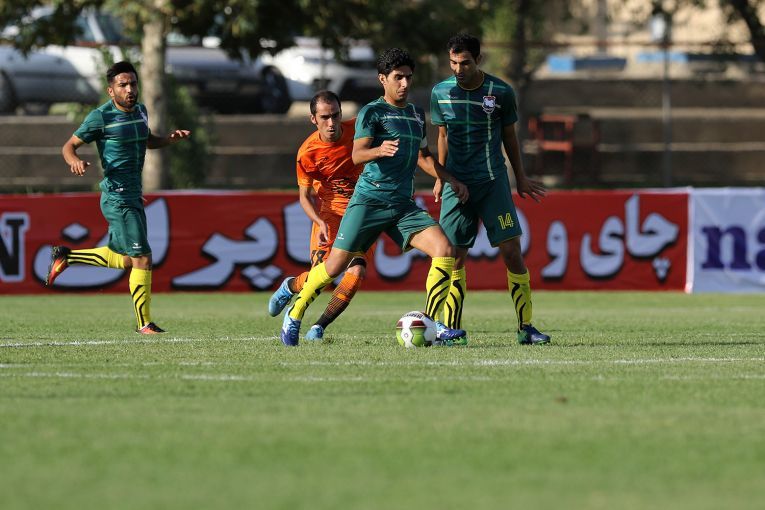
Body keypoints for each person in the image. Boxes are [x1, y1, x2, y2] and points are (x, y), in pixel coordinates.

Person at [279, 47, 470, 347]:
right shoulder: (372, 112)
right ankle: (295, 312)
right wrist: (379, 150)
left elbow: (424, 158)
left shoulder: (416, 115)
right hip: (369, 201)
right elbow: (357, 154)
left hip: (402, 205)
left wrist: (450, 179)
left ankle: (434, 324)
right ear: (383, 79)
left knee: (445, 250)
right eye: (398, 78)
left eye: (408, 77)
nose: (404, 83)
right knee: (333, 267)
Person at [47, 61, 191, 334]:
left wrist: (169, 140)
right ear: (110, 91)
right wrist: (74, 160)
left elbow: (146, 140)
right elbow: (69, 145)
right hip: (118, 197)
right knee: (143, 258)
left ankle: (67, 257)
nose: (130, 89)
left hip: (135, 196)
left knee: (125, 259)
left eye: (133, 84)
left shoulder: (141, 112)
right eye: (123, 85)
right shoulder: (100, 117)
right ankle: (144, 324)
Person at [429, 34, 550, 345]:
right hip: (457, 185)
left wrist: (520, 177)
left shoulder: (501, 92)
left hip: (493, 182)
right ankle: (451, 331)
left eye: (465, 63)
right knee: (454, 257)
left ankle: (526, 327)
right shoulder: (440, 92)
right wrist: (441, 177)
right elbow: (442, 136)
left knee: (512, 252)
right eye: (453, 63)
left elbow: (510, 137)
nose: (458, 69)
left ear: (478, 60)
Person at [268, 90, 371, 340]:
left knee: (356, 273)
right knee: (324, 275)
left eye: (335, 115)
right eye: (325, 117)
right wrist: (319, 221)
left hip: (363, 214)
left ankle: (319, 327)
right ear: (313, 119)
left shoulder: (359, 129)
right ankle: (291, 286)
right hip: (331, 215)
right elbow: (304, 197)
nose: (331, 123)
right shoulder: (308, 153)